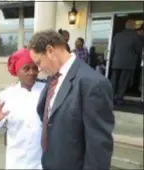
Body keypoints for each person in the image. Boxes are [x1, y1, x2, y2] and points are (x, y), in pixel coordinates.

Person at [28, 30, 114, 170]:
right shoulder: (54, 77)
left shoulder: (93, 83)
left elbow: (99, 146)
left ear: (50, 51)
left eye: (38, 62)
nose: (38, 69)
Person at [0, 48, 45, 169]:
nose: (32, 72)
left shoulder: (47, 90)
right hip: (18, 161)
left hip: (42, 161)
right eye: (26, 68)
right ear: (17, 71)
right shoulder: (6, 96)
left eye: (35, 68)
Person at [110, 20, 142, 105]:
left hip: (116, 62)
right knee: (123, 82)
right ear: (133, 26)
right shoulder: (135, 36)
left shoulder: (117, 35)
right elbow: (139, 50)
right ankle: (119, 99)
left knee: (114, 81)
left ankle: (111, 98)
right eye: (135, 25)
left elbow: (112, 49)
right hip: (128, 63)